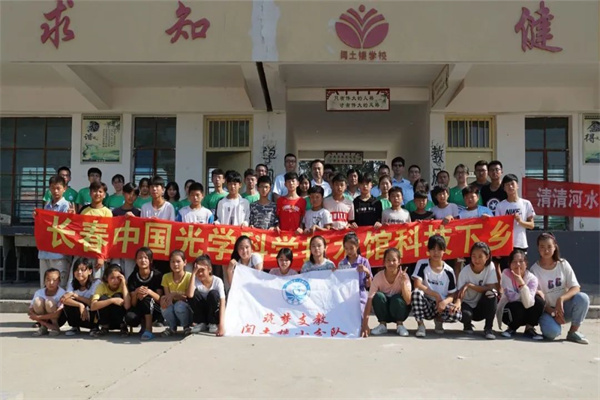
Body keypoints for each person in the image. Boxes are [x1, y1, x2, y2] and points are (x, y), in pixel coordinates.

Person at [531, 233, 590, 344]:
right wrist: (552, 312)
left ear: (555, 247)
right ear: (538, 248)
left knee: (583, 298)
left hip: (563, 308)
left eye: (549, 247)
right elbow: (536, 299)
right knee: (552, 333)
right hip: (547, 311)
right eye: (542, 247)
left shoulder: (563, 264)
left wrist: (561, 299)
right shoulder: (534, 270)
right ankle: (550, 325)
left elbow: (576, 287)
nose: (546, 250)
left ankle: (573, 332)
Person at [411, 235, 462, 337]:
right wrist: (436, 295)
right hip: (426, 304)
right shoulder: (422, 264)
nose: (436, 252)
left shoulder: (449, 271)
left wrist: (444, 302)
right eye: (433, 249)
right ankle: (420, 325)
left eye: (439, 249)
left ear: (444, 251)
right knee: (416, 293)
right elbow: (417, 284)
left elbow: (452, 294)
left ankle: (439, 320)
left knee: (457, 315)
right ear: (428, 250)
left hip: (441, 306)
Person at [361, 248, 411, 337]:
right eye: (388, 260)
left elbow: (408, 301)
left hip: (399, 311)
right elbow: (369, 300)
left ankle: (400, 325)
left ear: (399, 262)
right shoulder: (378, 277)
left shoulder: (404, 276)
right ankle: (382, 325)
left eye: (394, 260)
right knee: (378, 296)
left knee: (397, 299)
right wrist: (365, 325)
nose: (391, 263)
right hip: (385, 311)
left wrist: (403, 283)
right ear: (384, 262)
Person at [497, 249, 544, 340]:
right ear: (510, 264)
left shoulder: (532, 279)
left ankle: (529, 328)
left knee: (539, 300)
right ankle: (511, 328)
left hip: (526, 311)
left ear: (526, 264)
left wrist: (522, 284)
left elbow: (529, 304)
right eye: (514, 262)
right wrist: (527, 292)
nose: (518, 264)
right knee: (518, 306)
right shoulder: (506, 274)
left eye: (521, 261)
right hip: (509, 312)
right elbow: (511, 297)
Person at [37, 175, 73, 288]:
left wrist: (71, 216)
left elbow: (68, 227)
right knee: (45, 284)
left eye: (58, 188)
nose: (55, 191)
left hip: (59, 252)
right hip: (45, 251)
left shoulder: (67, 205)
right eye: (52, 188)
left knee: (59, 285)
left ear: (64, 189)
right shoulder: (47, 205)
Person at [456, 242, 498, 340]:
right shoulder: (465, 271)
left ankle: (488, 328)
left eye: (480, 256)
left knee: (492, 293)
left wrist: (470, 285)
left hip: (481, 306)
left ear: (487, 257)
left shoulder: (490, 267)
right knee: (465, 315)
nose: (477, 260)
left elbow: (491, 287)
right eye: (474, 256)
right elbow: (460, 292)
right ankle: (467, 324)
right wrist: (457, 303)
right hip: (467, 305)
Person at [495, 174, 535, 270]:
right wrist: (497, 248)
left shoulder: (526, 203)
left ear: (517, 185)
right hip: (505, 245)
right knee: (506, 271)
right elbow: (497, 228)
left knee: (520, 271)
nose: (510, 186)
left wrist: (520, 221)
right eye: (507, 185)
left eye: (512, 184)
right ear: (504, 188)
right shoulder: (500, 206)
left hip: (520, 244)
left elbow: (531, 225)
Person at [125, 247, 164, 341]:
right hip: (139, 307)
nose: (143, 260)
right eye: (140, 258)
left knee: (147, 299)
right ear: (136, 260)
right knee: (130, 317)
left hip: (156, 309)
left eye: (146, 258)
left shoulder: (157, 275)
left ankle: (149, 330)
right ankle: (143, 324)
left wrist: (149, 292)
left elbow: (160, 299)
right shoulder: (133, 277)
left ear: (150, 260)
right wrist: (136, 293)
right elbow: (133, 303)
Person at [80, 181, 112, 281]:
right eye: (94, 191)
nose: (97, 194)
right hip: (84, 252)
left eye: (100, 191)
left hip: (98, 253)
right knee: (82, 280)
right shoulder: (84, 211)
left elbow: (108, 236)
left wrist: (102, 256)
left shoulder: (107, 212)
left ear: (104, 195)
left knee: (97, 282)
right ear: (90, 193)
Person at [187, 255, 226, 336]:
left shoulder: (217, 281)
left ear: (209, 269)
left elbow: (222, 302)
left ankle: (213, 323)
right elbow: (190, 295)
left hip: (213, 312)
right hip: (202, 310)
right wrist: (193, 273)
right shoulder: (195, 280)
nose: (200, 273)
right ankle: (201, 322)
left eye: (202, 270)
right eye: (198, 271)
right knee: (194, 293)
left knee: (213, 294)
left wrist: (221, 325)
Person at [61, 258, 100, 336]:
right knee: (69, 303)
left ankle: (94, 327)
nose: (79, 272)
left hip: (90, 311)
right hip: (80, 309)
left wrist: (75, 295)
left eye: (82, 270)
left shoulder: (96, 283)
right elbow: (63, 299)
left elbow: (91, 302)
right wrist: (80, 305)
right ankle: (75, 326)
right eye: (76, 270)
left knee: (94, 305)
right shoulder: (72, 284)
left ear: (90, 271)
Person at [90, 264, 130, 337]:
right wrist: (112, 300)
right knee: (103, 298)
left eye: (118, 278)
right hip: (106, 319)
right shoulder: (101, 286)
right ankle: (104, 327)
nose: (115, 281)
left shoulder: (123, 286)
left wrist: (124, 284)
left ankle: (123, 327)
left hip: (119, 320)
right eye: (112, 278)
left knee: (118, 295)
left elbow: (127, 306)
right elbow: (93, 306)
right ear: (106, 278)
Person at [111, 183, 141, 278]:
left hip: (131, 250)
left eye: (134, 194)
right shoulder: (115, 212)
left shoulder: (138, 213)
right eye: (129, 193)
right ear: (123, 193)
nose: (131, 197)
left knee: (129, 276)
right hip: (116, 249)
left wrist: (135, 219)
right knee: (115, 275)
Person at [160, 250, 193, 337]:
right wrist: (164, 301)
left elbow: (188, 297)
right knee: (165, 305)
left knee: (179, 306)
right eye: (173, 262)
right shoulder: (166, 277)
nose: (175, 264)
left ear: (185, 262)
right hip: (174, 306)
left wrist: (175, 295)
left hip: (186, 308)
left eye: (178, 261)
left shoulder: (189, 276)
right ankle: (172, 327)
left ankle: (186, 327)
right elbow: (168, 297)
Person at [338, 233, 373, 313]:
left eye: (351, 248)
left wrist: (367, 272)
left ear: (357, 246)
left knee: (359, 310)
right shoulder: (342, 264)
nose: (349, 251)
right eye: (346, 248)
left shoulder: (364, 261)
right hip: (345, 295)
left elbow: (369, 285)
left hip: (360, 294)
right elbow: (339, 283)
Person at [29, 268, 66, 336]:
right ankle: (43, 327)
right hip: (42, 319)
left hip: (58, 319)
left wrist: (37, 317)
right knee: (37, 301)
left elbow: (57, 314)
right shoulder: (39, 292)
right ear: (44, 281)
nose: (51, 283)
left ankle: (55, 327)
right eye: (48, 280)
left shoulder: (62, 293)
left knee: (49, 302)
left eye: (54, 280)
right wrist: (43, 322)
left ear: (59, 281)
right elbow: (30, 311)